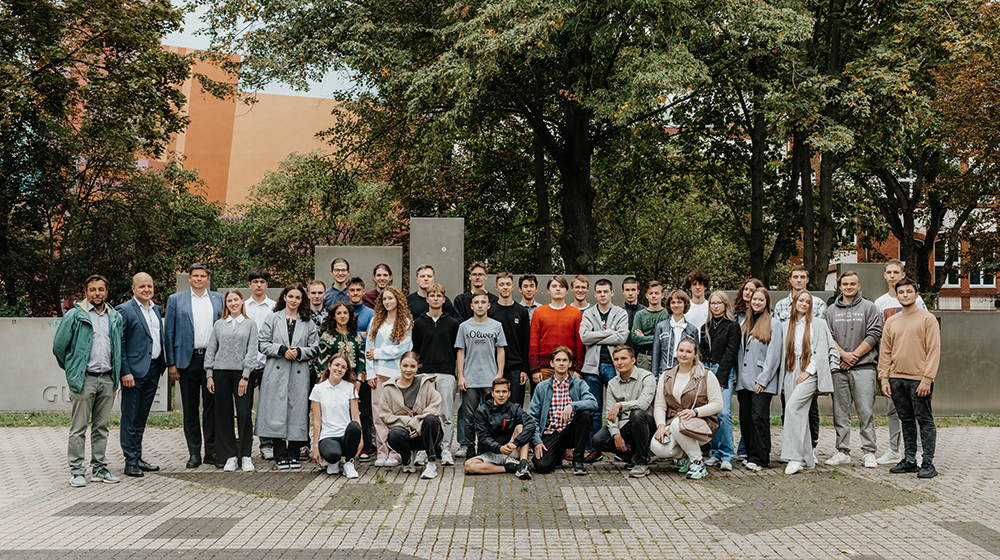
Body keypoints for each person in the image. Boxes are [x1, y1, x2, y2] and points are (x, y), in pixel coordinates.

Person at [53, 274, 123, 487]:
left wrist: (115, 378)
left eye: (101, 289)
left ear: (106, 292)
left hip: (107, 379)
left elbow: (118, 348)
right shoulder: (75, 315)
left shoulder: (115, 317)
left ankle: (100, 468)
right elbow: (58, 347)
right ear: (86, 292)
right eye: (93, 290)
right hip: (85, 380)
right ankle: (76, 471)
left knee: (101, 427)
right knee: (79, 427)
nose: (97, 293)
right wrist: (74, 369)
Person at [879, 278, 940, 479]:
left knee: (924, 420)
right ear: (897, 295)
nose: (905, 295)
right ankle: (910, 460)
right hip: (896, 379)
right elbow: (885, 352)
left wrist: (927, 379)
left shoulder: (927, 319)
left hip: (919, 379)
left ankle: (928, 463)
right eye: (901, 292)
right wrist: (884, 378)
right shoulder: (892, 321)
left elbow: (934, 350)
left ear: (916, 294)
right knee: (905, 419)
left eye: (909, 291)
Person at [165, 263, 224, 469]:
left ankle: (211, 452)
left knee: (212, 408)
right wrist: (171, 363)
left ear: (208, 279)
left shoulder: (219, 299)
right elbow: (169, 333)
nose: (199, 279)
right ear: (189, 279)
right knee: (190, 409)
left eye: (203, 276)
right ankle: (193, 453)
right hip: (186, 360)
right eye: (195, 276)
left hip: (212, 360)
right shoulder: (176, 300)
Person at [256, 283, 320, 469]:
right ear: (284, 297)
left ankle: (293, 452)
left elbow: (315, 347)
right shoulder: (272, 318)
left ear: (302, 300)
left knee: (297, 411)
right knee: (275, 410)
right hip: (276, 370)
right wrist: (282, 350)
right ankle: (279, 453)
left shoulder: (308, 322)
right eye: (290, 296)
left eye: (298, 297)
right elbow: (262, 343)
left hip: (299, 372)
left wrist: (299, 352)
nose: (294, 300)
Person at [825, 271, 883, 469]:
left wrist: (853, 357)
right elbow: (828, 336)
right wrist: (843, 355)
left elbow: (875, 333)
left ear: (859, 286)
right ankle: (842, 451)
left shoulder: (869, 307)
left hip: (864, 368)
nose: (848, 287)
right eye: (845, 284)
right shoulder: (831, 310)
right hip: (839, 368)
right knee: (840, 412)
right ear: (839, 286)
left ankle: (869, 452)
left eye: (852, 284)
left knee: (866, 411)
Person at [873, 259, 928, 465]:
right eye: (889, 272)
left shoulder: (916, 300)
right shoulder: (880, 303)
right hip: (892, 366)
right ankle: (894, 449)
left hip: (914, 366)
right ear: (885, 275)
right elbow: (880, 336)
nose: (893, 275)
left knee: (917, 411)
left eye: (896, 272)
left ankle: (920, 451)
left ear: (902, 274)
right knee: (893, 409)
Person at [780, 290, 837, 474]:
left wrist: (808, 371)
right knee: (799, 413)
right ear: (795, 302)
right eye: (801, 300)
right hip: (790, 369)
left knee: (792, 408)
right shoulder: (785, 326)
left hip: (810, 369)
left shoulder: (818, 324)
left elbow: (823, 350)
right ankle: (808, 458)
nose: (804, 304)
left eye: (808, 302)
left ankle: (794, 457)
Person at [772, 265, 827, 452]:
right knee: (788, 405)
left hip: (809, 364)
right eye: (795, 277)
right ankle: (793, 446)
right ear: (790, 280)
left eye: (802, 276)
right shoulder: (780, 306)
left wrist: (811, 368)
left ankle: (810, 447)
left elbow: (820, 337)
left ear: (807, 279)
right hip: (788, 364)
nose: (798, 280)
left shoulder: (817, 303)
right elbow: (779, 338)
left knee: (809, 407)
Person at [650, 337, 723, 480]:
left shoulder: (706, 374)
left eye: (688, 351)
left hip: (701, 424)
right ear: (676, 352)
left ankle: (698, 463)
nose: (684, 354)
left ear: (695, 354)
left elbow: (718, 404)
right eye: (681, 350)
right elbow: (660, 404)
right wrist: (661, 426)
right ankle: (685, 456)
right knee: (656, 447)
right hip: (674, 424)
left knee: (680, 421)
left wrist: (695, 412)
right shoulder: (667, 375)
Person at [116, 272, 165, 478]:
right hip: (133, 374)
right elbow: (120, 343)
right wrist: (125, 371)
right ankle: (129, 461)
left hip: (153, 370)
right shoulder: (124, 310)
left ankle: (137, 456)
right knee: (130, 416)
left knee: (142, 417)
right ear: (133, 289)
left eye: (150, 286)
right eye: (142, 286)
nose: (147, 289)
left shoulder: (156, 309)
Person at [204, 290, 259, 473]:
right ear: (226, 304)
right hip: (220, 373)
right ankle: (230, 456)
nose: (233, 303)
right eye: (229, 301)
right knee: (223, 415)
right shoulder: (219, 324)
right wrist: (209, 374)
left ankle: (245, 455)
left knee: (244, 413)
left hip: (241, 375)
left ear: (242, 301)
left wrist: (245, 375)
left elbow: (252, 351)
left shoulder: (250, 324)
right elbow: (211, 349)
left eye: (236, 299)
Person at [578, 278, 629, 462]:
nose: (602, 295)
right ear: (595, 293)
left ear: (611, 293)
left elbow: (622, 337)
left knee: (618, 408)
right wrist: (610, 333)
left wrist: (596, 337)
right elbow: (584, 337)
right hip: (592, 366)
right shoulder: (589, 313)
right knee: (594, 408)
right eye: (599, 292)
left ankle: (621, 448)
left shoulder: (621, 313)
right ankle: (595, 449)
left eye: (605, 291)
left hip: (614, 367)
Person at [527, 346, 599, 475]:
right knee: (542, 466)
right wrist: (537, 441)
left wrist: (572, 405)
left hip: (571, 431)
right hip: (550, 433)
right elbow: (532, 417)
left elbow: (593, 403)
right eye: (558, 360)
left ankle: (578, 461)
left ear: (570, 363)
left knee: (585, 414)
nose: (561, 363)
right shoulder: (542, 387)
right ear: (551, 363)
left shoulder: (579, 384)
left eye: (565, 360)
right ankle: (558, 454)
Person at [412, 283, 461, 465]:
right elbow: (415, 349)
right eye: (432, 295)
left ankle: (446, 449)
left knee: (447, 413)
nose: (435, 298)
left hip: (446, 373)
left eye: (439, 295)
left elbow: (457, 351)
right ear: (427, 299)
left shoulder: (452, 323)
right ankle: (424, 450)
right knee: (425, 414)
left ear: (443, 299)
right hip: (424, 374)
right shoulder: (418, 323)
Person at [734, 287, 782, 471]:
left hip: (762, 381)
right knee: (746, 419)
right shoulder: (745, 323)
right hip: (744, 381)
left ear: (766, 302)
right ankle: (751, 453)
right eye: (755, 299)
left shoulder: (773, 324)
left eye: (761, 300)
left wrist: (763, 379)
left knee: (759, 417)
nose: (757, 303)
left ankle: (761, 458)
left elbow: (774, 355)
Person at [317, 301, 371, 463]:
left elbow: (361, 358)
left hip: (355, 378)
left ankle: (363, 447)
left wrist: (359, 380)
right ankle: (329, 447)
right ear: (334, 316)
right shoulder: (327, 337)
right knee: (334, 412)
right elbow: (322, 362)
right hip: (334, 380)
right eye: (339, 313)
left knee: (362, 413)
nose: (342, 316)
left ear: (350, 316)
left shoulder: (355, 335)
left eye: (345, 313)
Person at [366, 286, 414, 466]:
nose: (387, 302)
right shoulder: (375, 321)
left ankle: (395, 453)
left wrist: (378, 353)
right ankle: (382, 452)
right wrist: (370, 373)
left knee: (396, 414)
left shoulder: (406, 322)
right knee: (378, 414)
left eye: (390, 298)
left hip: (397, 375)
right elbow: (367, 350)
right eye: (384, 299)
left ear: (398, 300)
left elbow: (403, 348)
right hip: (378, 374)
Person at [456, 289, 507, 457]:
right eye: (476, 303)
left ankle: (487, 450)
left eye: (482, 302)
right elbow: (460, 352)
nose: (480, 305)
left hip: (490, 379)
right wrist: (461, 376)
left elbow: (500, 351)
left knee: (491, 418)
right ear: (471, 306)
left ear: (488, 305)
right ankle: (471, 451)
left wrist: (499, 374)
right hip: (470, 380)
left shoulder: (496, 325)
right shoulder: (464, 326)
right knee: (469, 419)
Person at [592, 346, 656, 478]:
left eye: (623, 358)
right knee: (598, 440)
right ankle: (631, 455)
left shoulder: (647, 377)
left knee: (637, 414)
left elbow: (643, 405)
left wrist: (620, 405)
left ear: (633, 360)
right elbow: (609, 414)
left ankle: (642, 462)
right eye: (616, 359)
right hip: (626, 426)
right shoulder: (612, 384)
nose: (619, 362)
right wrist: (616, 435)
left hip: (646, 425)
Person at [379, 352, 443, 479]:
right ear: (400, 366)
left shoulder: (424, 383)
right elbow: (385, 415)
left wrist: (418, 424)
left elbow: (435, 404)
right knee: (394, 434)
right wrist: (409, 423)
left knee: (431, 419)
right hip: (406, 435)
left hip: (427, 433)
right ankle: (406, 459)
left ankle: (431, 463)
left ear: (417, 367)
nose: (408, 370)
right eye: (405, 366)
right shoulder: (389, 389)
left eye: (412, 366)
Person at [699, 291, 740, 472]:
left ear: (725, 305)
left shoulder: (732, 326)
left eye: (719, 303)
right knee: (710, 414)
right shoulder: (705, 327)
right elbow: (701, 353)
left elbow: (731, 353)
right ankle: (715, 452)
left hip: (723, 371)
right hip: (706, 370)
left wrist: (721, 378)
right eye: (712, 303)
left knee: (723, 413)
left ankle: (727, 455)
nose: (715, 306)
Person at [464, 377, 535, 479]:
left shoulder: (515, 408)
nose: (501, 395)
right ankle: (510, 468)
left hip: (511, 450)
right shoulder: (482, 411)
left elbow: (531, 425)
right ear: (492, 394)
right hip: (491, 452)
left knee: (521, 427)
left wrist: (515, 443)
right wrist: (499, 448)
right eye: (498, 392)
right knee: (469, 466)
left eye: (504, 391)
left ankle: (523, 464)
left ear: (509, 394)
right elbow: (483, 437)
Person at [310, 353, 363, 479]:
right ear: (329, 366)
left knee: (354, 426)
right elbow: (317, 420)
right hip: (328, 436)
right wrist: (315, 446)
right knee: (333, 454)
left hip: (345, 435)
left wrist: (361, 440)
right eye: (336, 365)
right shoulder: (318, 389)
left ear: (346, 371)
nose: (339, 369)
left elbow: (356, 417)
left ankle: (349, 463)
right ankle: (333, 462)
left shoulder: (350, 388)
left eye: (343, 367)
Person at [244, 269, 277, 460]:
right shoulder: (242, 306)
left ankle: (266, 444)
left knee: (267, 406)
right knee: (244, 406)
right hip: (246, 364)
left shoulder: (274, 308)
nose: (258, 285)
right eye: (255, 281)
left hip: (268, 363)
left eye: (262, 281)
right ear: (249, 284)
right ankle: (245, 444)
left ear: (266, 285)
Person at [528, 276, 585, 382]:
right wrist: (535, 369)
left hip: (569, 367)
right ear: (549, 291)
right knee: (545, 398)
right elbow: (533, 342)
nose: (558, 289)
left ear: (567, 291)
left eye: (561, 286)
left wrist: (579, 369)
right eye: (554, 286)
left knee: (569, 398)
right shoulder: (539, 312)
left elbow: (580, 343)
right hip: (544, 367)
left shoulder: (576, 313)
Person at [732, 277, 764, 461]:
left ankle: (751, 449)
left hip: (756, 370)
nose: (747, 292)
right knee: (744, 413)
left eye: (752, 290)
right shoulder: (735, 315)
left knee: (756, 413)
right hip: (739, 368)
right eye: (745, 289)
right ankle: (744, 447)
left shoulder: (766, 316)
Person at [489, 272, 531, 408]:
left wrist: (524, 369)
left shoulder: (521, 311)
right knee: (495, 406)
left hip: (516, 368)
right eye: (502, 284)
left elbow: (526, 341)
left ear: (513, 286)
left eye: (508, 284)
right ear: (496, 287)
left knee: (515, 407)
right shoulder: (490, 311)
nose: (505, 287)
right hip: (493, 367)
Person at [651, 290, 700, 378]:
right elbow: (656, 354)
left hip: (686, 371)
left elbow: (696, 356)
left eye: (679, 302)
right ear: (669, 305)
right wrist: (655, 377)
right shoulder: (661, 327)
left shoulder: (692, 329)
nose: (676, 305)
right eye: (673, 302)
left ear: (685, 304)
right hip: (665, 370)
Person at [631, 281, 668, 372]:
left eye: (656, 293)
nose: (653, 296)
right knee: (644, 384)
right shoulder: (640, 315)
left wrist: (644, 338)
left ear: (662, 295)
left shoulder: (667, 314)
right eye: (651, 293)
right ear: (647, 295)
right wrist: (658, 338)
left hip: (663, 356)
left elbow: (667, 338)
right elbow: (635, 338)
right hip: (644, 356)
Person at [621, 277, 645, 353]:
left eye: (633, 290)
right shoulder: (618, 313)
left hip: (642, 355)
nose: (630, 293)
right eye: (627, 290)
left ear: (638, 291)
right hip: (624, 354)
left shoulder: (645, 312)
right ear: (623, 292)